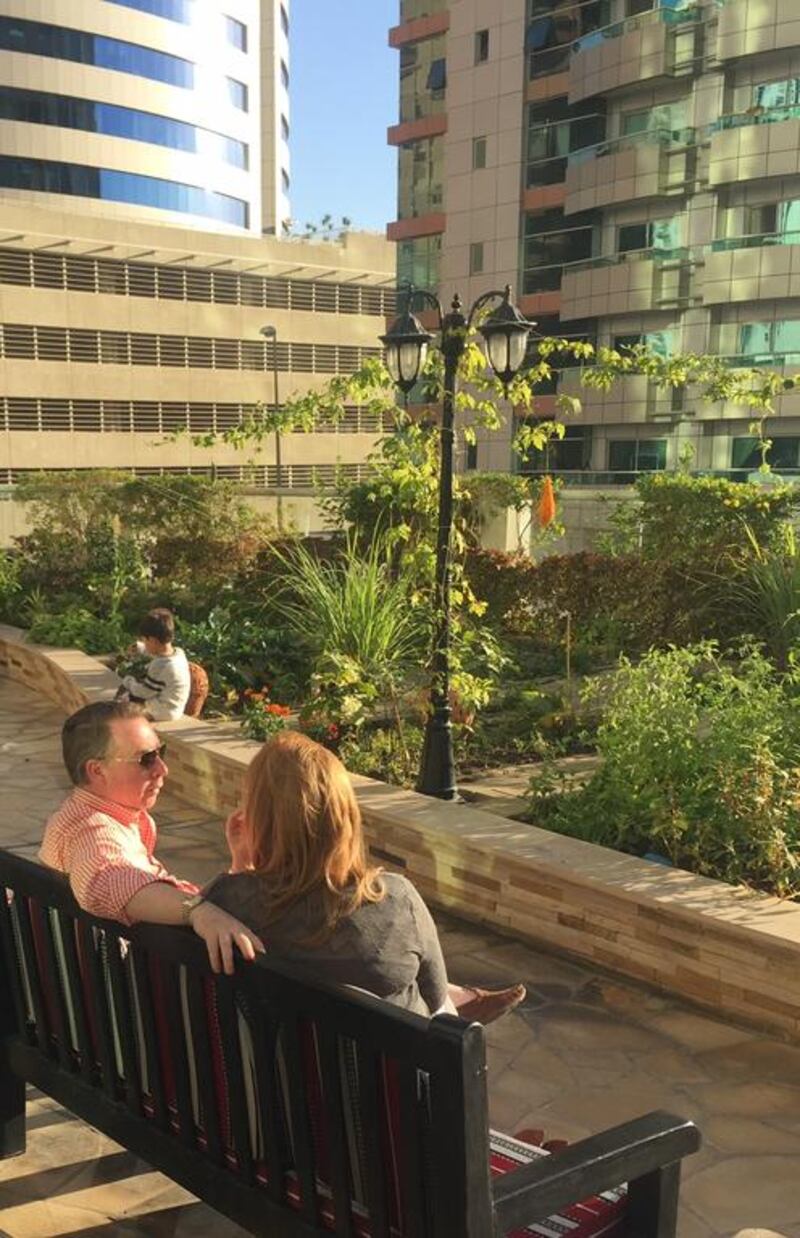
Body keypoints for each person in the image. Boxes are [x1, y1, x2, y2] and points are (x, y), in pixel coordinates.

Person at [204, 731, 526, 1021]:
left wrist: (240, 867)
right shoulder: (397, 902)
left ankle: (469, 998)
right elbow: (437, 999)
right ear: (343, 820)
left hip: (276, 1082)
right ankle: (469, 1000)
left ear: (260, 821)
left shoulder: (222, 906)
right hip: (385, 1083)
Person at [40, 700, 262, 974]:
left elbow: (144, 889)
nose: (162, 769)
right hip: (130, 991)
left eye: (160, 753)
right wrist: (198, 910)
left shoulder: (104, 816)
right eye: (146, 759)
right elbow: (107, 878)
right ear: (97, 771)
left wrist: (238, 867)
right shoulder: (91, 830)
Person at [118, 608, 191, 721]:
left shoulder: (160, 666)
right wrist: (141, 648)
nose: (144, 643)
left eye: (145, 641)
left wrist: (128, 682)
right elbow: (157, 653)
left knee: (121, 711)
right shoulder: (178, 653)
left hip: (163, 710)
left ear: (153, 640)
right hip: (174, 707)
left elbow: (144, 693)